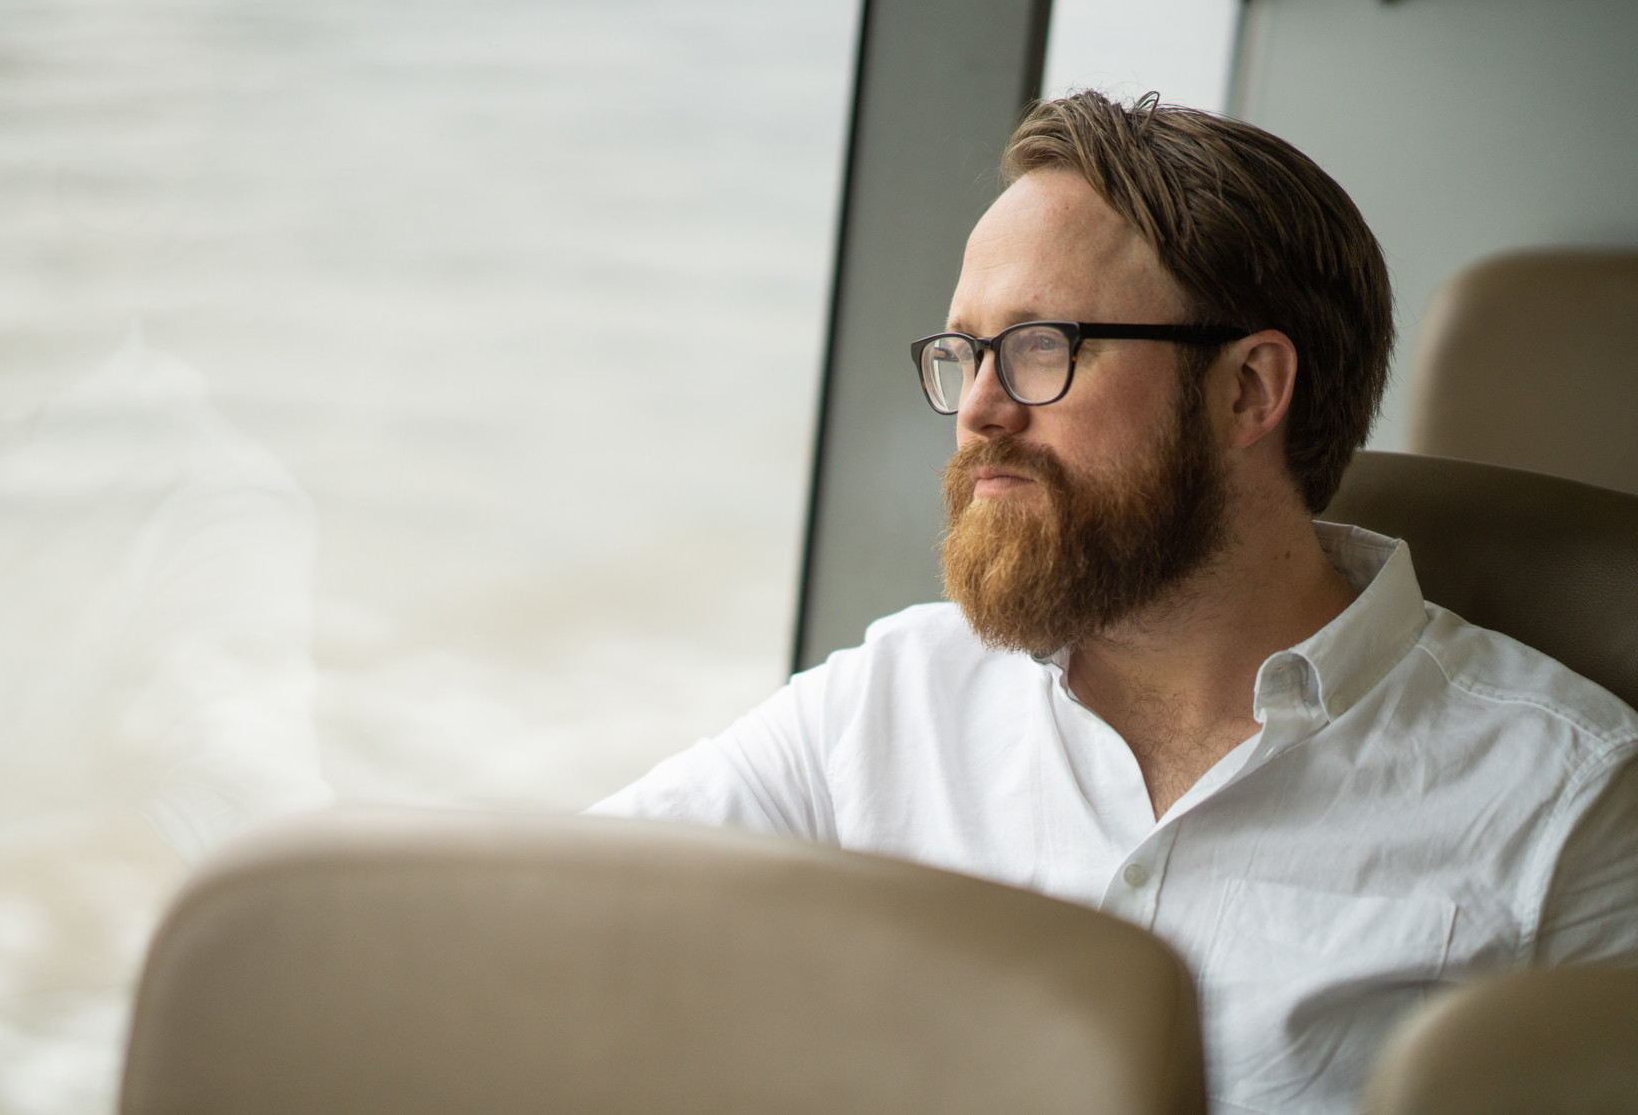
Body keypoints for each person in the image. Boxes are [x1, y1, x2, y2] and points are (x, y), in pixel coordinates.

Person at [590, 91, 1638, 1115]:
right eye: (965, 354)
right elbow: (564, 933)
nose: (982, 410)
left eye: (1042, 348)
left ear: (1247, 390)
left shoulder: (1571, 803)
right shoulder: (884, 704)